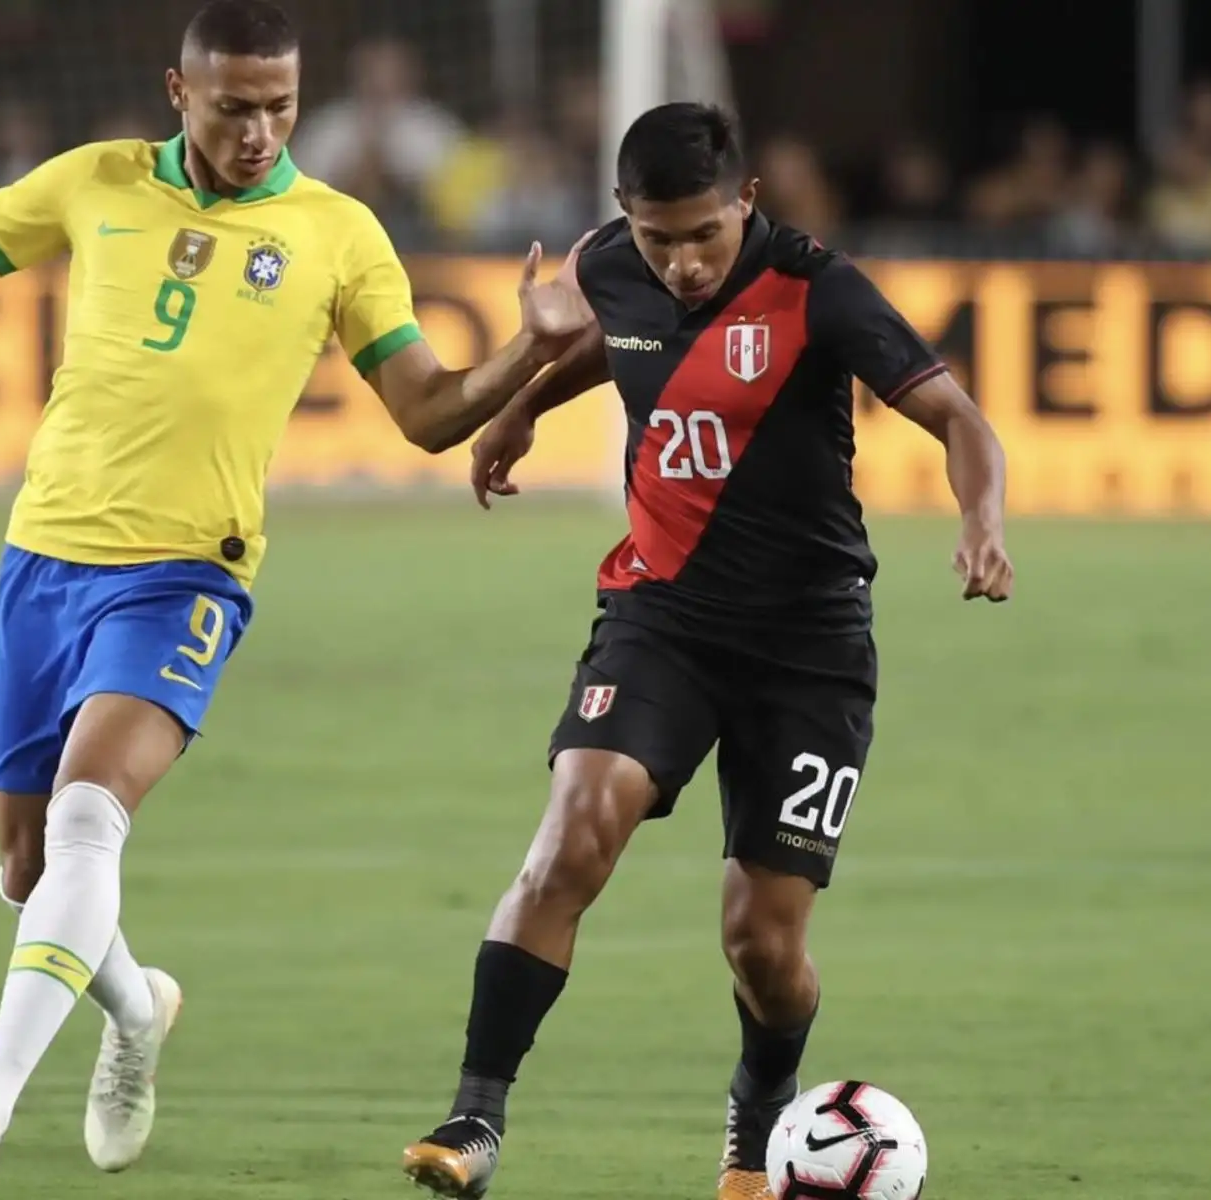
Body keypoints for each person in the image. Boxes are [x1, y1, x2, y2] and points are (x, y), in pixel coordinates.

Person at [0, 2, 592, 1194]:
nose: (259, 131)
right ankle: (136, 1013)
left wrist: (532, 352)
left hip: (189, 570)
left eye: (280, 107)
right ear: (178, 92)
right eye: (235, 106)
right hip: (42, 559)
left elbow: (432, 410)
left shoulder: (339, 234)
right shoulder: (96, 182)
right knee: (28, 875)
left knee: (90, 819)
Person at [399, 102, 1012, 1200]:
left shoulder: (820, 289)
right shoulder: (608, 264)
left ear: (749, 205)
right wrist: (527, 399)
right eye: (656, 237)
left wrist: (982, 522)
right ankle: (474, 1119)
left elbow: (964, 420)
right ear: (624, 217)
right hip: (662, 617)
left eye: (705, 238)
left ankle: (756, 1136)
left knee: (763, 947)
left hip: (811, 648)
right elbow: (621, 340)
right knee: (573, 835)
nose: (681, 264)